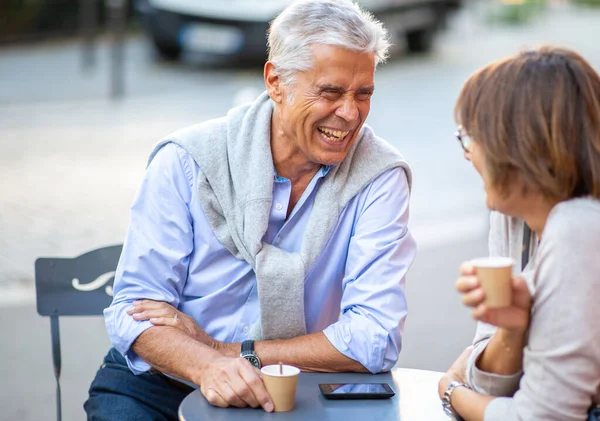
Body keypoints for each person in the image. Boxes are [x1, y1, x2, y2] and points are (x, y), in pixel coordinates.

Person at [84, 0, 416, 419]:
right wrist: (205, 364)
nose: (350, 114)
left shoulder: (380, 176)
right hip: (162, 378)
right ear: (276, 82)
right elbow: (135, 310)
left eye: (363, 94)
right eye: (330, 92)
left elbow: (376, 337)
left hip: (296, 384)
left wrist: (229, 352)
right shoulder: (188, 160)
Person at [438, 46, 600, 421]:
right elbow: (491, 382)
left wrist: (450, 390)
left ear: (517, 150)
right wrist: (512, 330)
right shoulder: (513, 218)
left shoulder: (579, 228)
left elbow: (542, 417)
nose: (467, 153)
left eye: (471, 138)